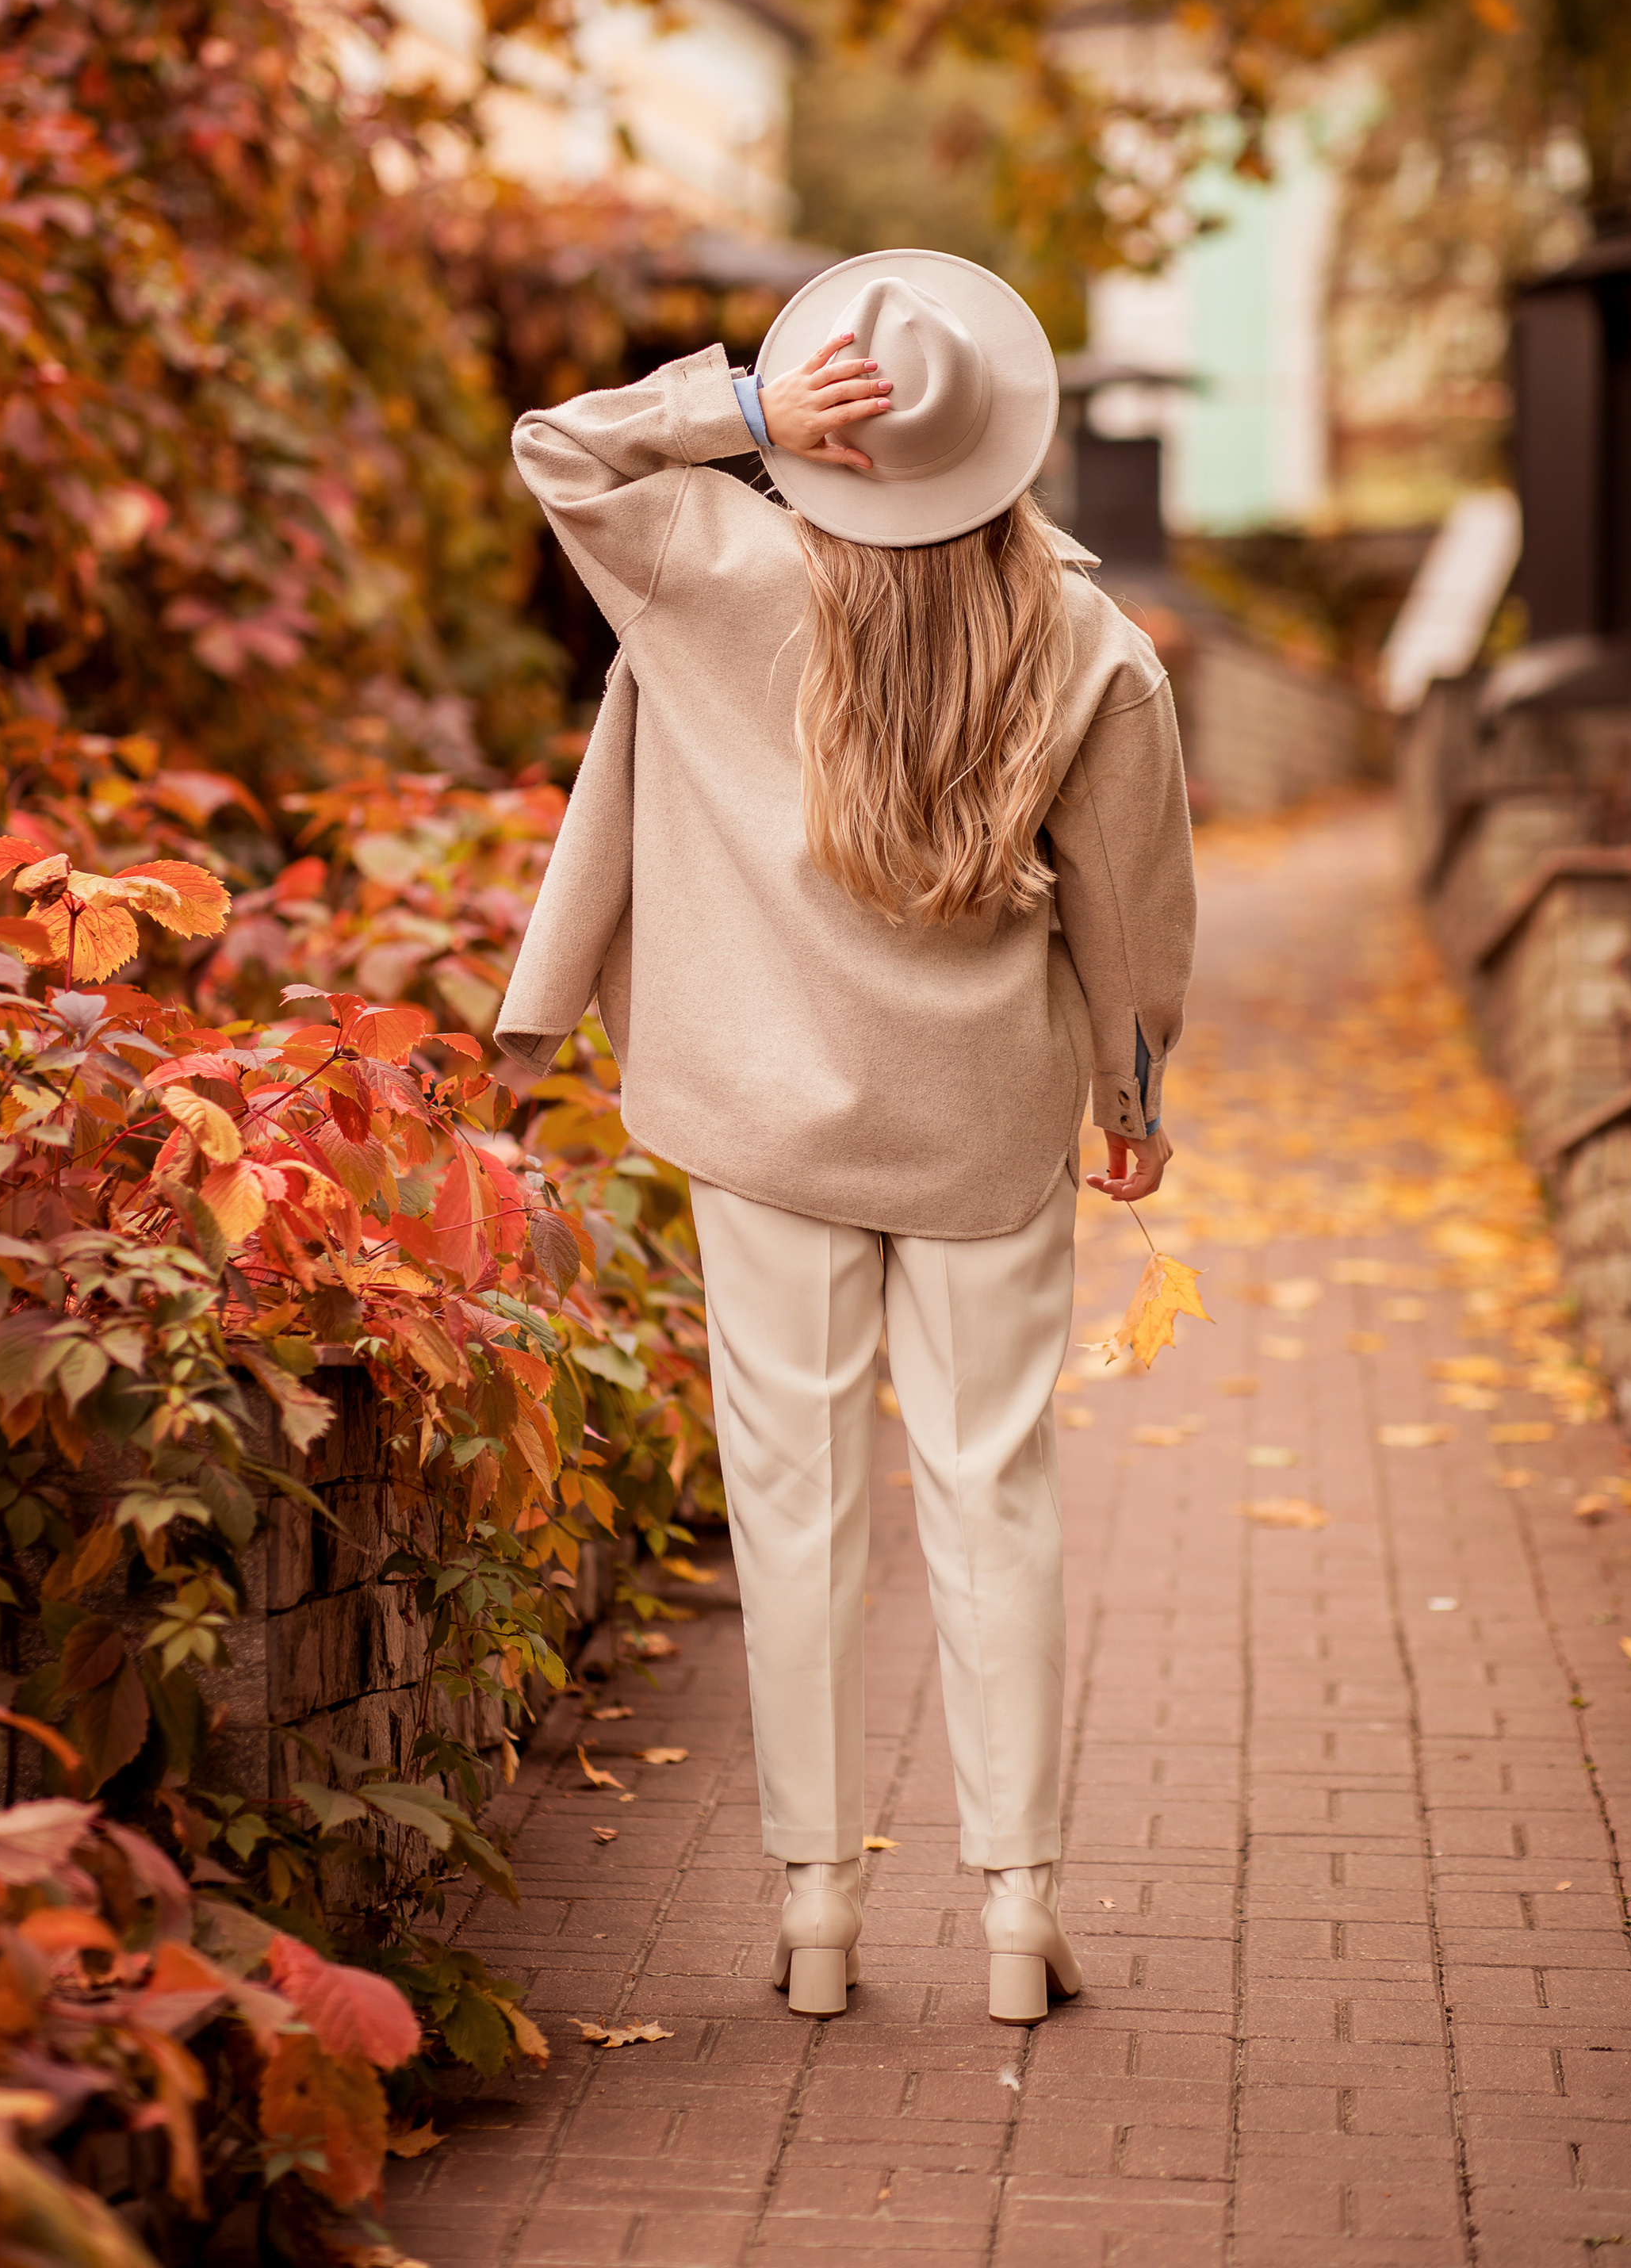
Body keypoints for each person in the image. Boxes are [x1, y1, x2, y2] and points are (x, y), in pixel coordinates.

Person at [500, 248, 1195, 2026]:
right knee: (994, 1495)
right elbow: (1127, 909)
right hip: (977, 1128)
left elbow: (556, 450)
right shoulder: (1087, 639)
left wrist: (734, 413)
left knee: (792, 1507)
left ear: (831, 425)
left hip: (760, 1118)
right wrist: (1128, 1100)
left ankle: (814, 1920)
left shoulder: (709, 567)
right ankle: (1014, 1919)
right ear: (1003, 437)